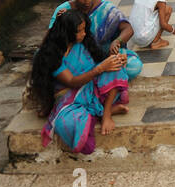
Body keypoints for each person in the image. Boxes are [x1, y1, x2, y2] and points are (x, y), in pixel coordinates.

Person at [28, 9, 128, 151]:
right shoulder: (51, 54)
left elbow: (101, 60)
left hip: (92, 88)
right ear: (67, 32)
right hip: (69, 97)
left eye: (84, 29)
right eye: (79, 31)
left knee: (116, 67)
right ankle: (100, 111)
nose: (84, 33)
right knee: (67, 125)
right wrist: (99, 69)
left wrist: (116, 59)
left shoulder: (84, 42)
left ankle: (106, 114)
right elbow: (72, 82)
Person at [50, 0, 139, 84]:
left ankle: (94, 76)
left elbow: (128, 28)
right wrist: (59, 22)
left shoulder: (106, 8)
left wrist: (117, 41)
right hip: (74, 58)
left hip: (102, 53)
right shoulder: (63, 10)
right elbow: (49, 41)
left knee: (133, 66)